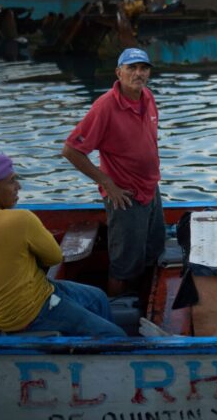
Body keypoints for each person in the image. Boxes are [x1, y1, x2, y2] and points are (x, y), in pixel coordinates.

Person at [0, 154, 124, 336]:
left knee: (98, 297)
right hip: (32, 313)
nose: (18, 187)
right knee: (115, 336)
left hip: (36, 293)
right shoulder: (21, 219)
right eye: (12, 181)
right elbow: (54, 257)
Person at [62, 48, 163, 297]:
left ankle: (143, 300)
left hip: (151, 189)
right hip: (124, 196)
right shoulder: (105, 106)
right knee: (123, 266)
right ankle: (116, 309)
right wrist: (107, 183)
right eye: (132, 68)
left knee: (153, 251)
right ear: (119, 73)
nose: (138, 73)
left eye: (143, 68)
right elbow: (71, 150)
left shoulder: (148, 96)